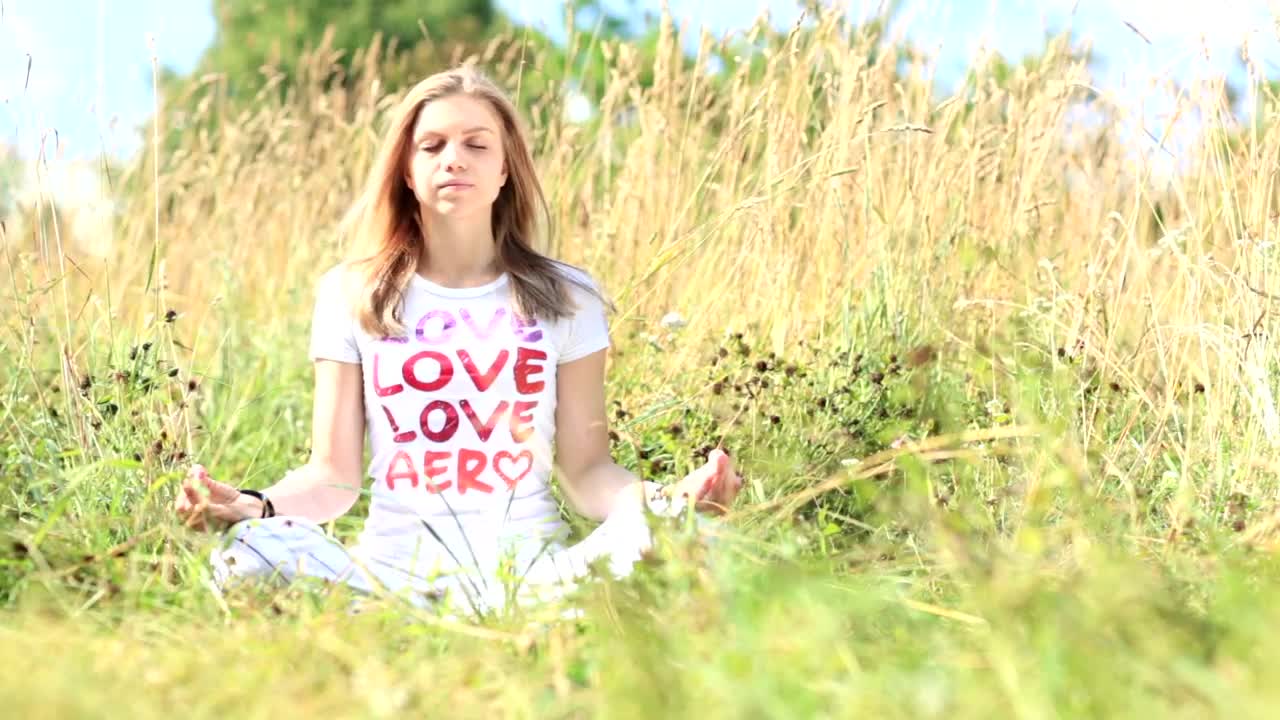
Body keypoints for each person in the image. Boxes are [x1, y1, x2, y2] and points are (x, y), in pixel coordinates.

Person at [173, 65, 742, 618]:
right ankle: (388, 617)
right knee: (245, 551)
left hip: (532, 579)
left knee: (689, 541)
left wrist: (672, 506)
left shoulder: (567, 295)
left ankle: (539, 615)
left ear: (505, 171)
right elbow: (333, 477)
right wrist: (252, 506)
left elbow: (588, 471)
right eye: (432, 146)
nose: (454, 160)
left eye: (477, 144)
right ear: (406, 171)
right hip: (387, 577)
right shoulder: (353, 292)